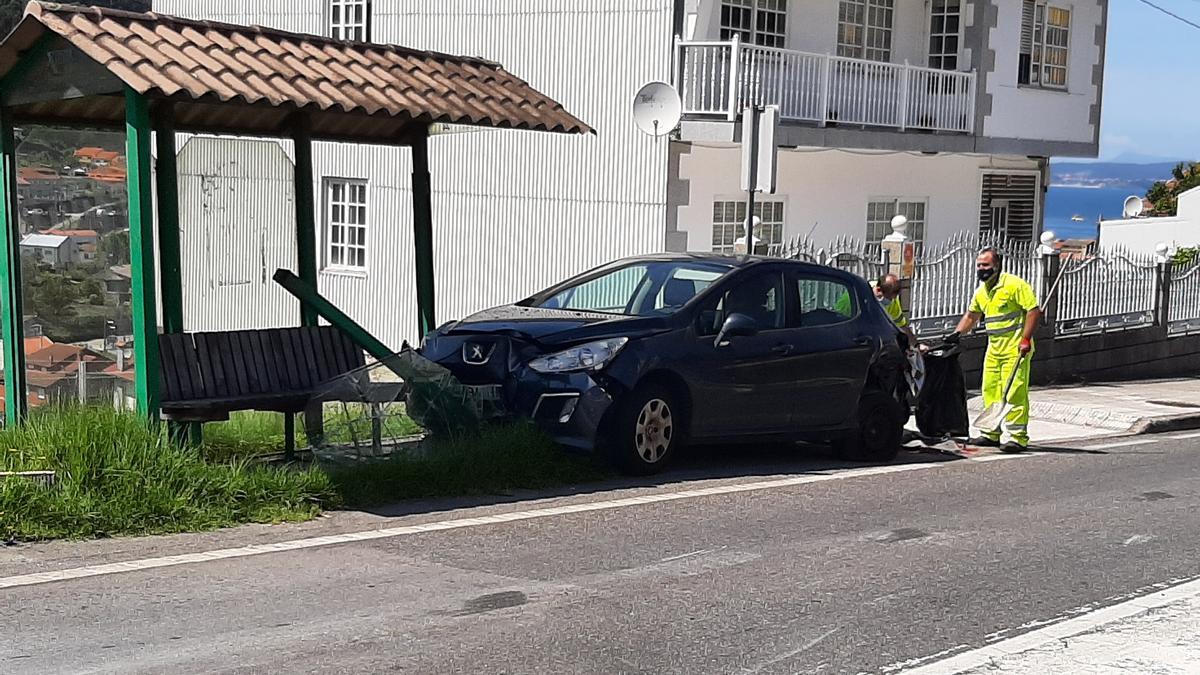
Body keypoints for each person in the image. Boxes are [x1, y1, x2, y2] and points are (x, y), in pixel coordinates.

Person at [947, 248, 1041, 452]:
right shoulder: (981, 292)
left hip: (1016, 349)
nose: (982, 269)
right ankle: (991, 433)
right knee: (990, 390)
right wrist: (955, 335)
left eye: (986, 265)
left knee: (1015, 391)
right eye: (979, 265)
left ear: (997, 266)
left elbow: (1033, 311)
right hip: (994, 349)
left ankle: (1018, 437)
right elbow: (971, 316)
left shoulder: (1014, 285)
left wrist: (1025, 339)